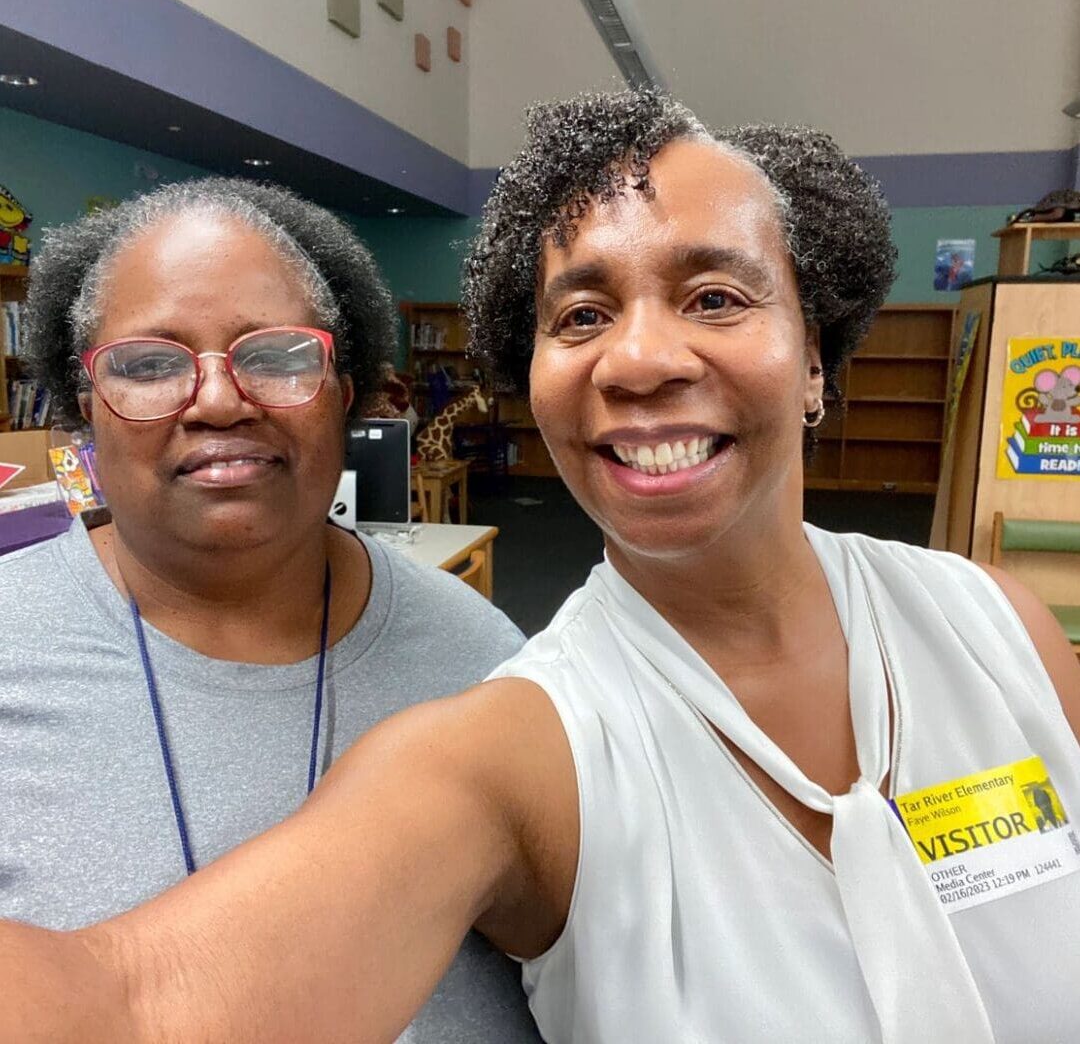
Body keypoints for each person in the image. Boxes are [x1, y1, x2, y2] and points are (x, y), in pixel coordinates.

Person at [4, 92, 1080, 1043]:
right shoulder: (517, 740)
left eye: (714, 295)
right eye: (582, 314)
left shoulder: (997, 629)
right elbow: (137, 1002)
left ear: (815, 355)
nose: (644, 357)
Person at [0, 178, 538, 1041]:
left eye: (276, 354)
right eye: (147, 363)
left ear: (344, 390)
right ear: (83, 410)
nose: (217, 400)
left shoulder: (482, 661)